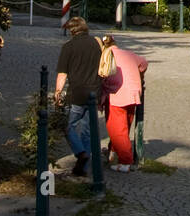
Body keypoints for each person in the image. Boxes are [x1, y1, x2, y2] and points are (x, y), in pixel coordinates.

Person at [54, 16, 102, 177]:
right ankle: (84, 166)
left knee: (68, 126)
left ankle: (81, 153)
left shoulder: (68, 47)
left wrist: (57, 92)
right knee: (88, 131)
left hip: (77, 93)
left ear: (72, 30)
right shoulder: (96, 44)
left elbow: (63, 73)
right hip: (94, 92)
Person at [100, 35, 148, 172]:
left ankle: (126, 161)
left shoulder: (105, 57)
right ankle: (113, 153)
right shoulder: (128, 54)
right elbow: (144, 63)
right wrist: (139, 74)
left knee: (117, 130)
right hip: (133, 94)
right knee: (125, 125)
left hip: (117, 95)